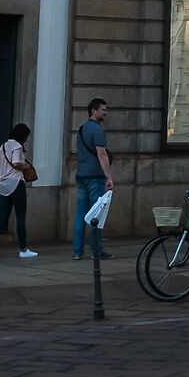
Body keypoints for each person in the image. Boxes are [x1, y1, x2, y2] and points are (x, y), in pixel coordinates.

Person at [0, 121, 38, 259]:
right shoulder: (17, 147)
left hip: (3, 184)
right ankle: (23, 249)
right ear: (23, 136)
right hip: (16, 183)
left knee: (2, 216)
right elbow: (16, 163)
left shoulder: (2, 146)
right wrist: (27, 167)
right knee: (20, 217)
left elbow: (0, 165)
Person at [73, 98, 113, 262]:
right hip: (95, 176)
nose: (105, 113)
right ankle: (96, 251)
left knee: (81, 214)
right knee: (96, 215)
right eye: (103, 110)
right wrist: (108, 177)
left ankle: (77, 251)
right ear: (93, 111)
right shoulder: (97, 130)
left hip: (81, 174)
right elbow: (101, 154)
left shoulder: (82, 129)